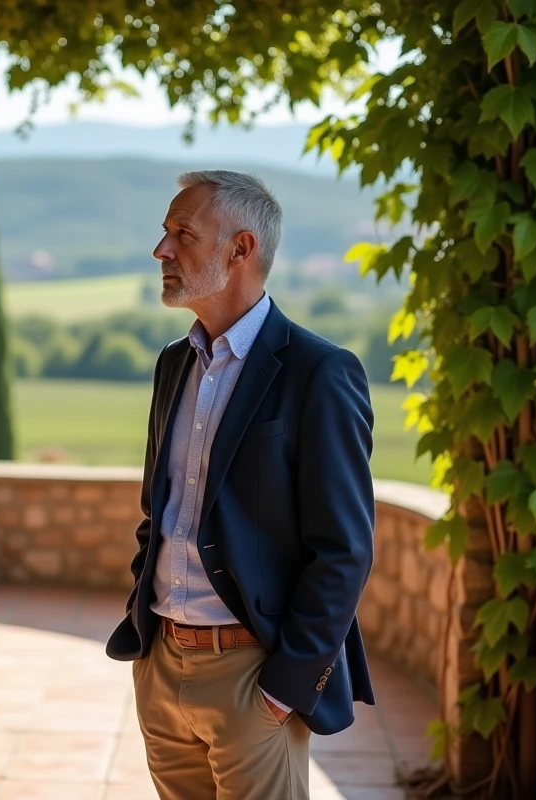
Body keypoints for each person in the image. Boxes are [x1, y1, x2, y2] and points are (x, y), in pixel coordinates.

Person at [105, 170, 377, 799]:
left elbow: (344, 550)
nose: (161, 250)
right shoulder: (174, 365)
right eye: (164, 232)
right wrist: (147, 642)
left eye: (182, 233)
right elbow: (161, 515)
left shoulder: (320, 373)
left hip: (254, 679)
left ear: (240, 249)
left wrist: (285, 689)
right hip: (162, 668)